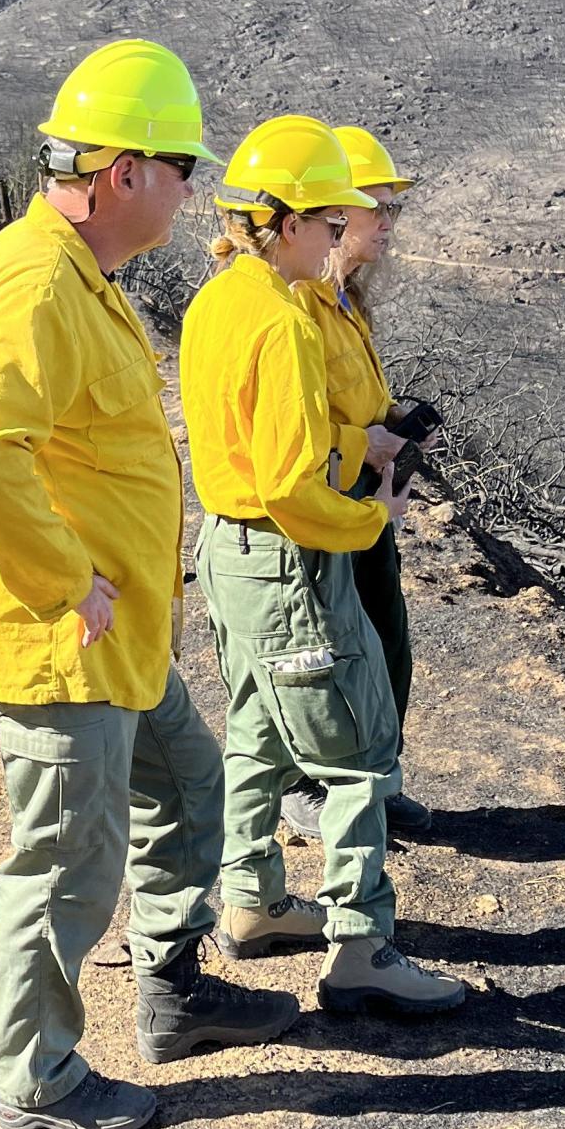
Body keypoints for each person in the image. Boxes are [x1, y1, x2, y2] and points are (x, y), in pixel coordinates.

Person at [0, 41, 301, 1129]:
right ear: (127, 169)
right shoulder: (37, 277)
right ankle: (35, 1074)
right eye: (184, 165)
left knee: (193, 786)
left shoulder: (78, 274)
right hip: (65, 641)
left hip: (116, 635)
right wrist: (64, 581)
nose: (195, 192)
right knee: (65, 861)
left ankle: (175, 992)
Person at [180, 115, 466, 1017]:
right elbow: (294, 486)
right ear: (290, 222)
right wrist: (367, 518)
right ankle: (360, 949)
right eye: (331, 222)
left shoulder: (217, 299)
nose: (341, 237)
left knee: (259, 725)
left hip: (228, 552)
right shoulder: (285, 322)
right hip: (288, 556)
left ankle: (255, 900)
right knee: (358, 749)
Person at [282, 125, 432, 840]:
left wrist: (394, 427)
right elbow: (299, 426)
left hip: (369, 497)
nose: (389, 226)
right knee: (323, 651)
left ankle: (379, 775)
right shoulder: (299, 308)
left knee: (385, 640)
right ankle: (308, 786)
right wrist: (364, 443)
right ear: (339, 210)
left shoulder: (347, 304)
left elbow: (353, 400)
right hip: (328, 500)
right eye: (382, 208)